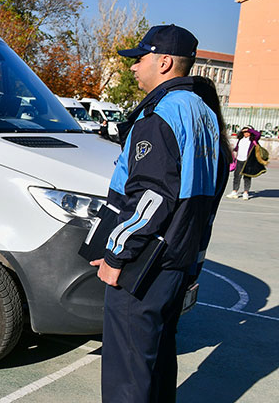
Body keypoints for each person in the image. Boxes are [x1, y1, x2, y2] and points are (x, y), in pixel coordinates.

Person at [87, 24, 230, 402]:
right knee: (157, 360)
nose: (133, 67)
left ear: (164, 62)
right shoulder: (205, 112)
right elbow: (209, 192)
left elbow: (151, 195)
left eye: (140, 58)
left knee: (128, 371)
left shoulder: (161, 113)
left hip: (145, 264)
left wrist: (118, 253)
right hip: (177, 258)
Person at [227, 126, 268, 200]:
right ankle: (234, 191)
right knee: (237, 176)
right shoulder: (241, 139)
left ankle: (246, 192)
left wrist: (249, 129)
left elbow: (258, 134)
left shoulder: (253, 140)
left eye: (248, 132)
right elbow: (237, 148)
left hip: (247, 161)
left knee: (247, 177)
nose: (246, 133)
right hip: (239, 160)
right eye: (244, 132)